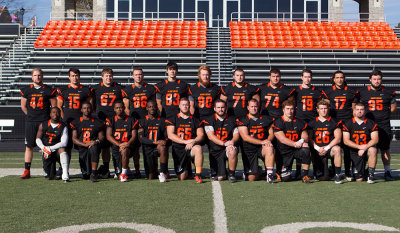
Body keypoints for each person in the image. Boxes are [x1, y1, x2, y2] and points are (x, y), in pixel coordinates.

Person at [355, 69, 396, 181]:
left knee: (385, 150)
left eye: (379, 79)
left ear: (381, 80)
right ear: (370, 80)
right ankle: (363, 170)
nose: (377, 81)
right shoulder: (362, 92)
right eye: (374, 79)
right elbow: (356, 105)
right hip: (368, 125)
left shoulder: (388, 92)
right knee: (368, 148)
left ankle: (387, 171)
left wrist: (384, 115)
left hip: (383, 125)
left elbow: (393, 107)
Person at [20, 68, 57, 179]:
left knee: (46, 146)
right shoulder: (26, 90)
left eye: (40, 75)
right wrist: (31, 115)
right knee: (29, 146)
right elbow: (23, 106)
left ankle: (47, 170)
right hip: (31, 122)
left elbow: (54, 107)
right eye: (35, 75)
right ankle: (27, 170)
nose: (38, 77)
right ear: (32, 77)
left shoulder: (48, 90)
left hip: (44, 122)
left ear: (43, 76)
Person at [321, 71, 357, 181]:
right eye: (337, 77)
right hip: (333, 122)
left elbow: (354, 109)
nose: (339, 80)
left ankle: (347, 171)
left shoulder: (351, 91)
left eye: (341, 77)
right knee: (334, 147)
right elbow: (326, 108)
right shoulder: (328, 91)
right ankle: (333, 170)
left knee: (347, 149)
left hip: (347, 122)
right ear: (334, 79)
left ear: (344, 78)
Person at [122, 67, 156, 178]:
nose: (138, 76)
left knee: (149, 146)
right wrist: (131, 120)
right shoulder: (128, 89)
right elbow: (126, 108)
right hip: (135, 121)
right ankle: (137, 170)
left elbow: (153, 106)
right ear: (133, 76)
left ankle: (152, 169)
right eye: (136, 74)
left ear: (143, 75)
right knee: (135, 147)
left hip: (147, 121)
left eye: (140, 74)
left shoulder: (150, 88)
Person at [91, 68, 124, 178]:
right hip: (102, 121)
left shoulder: (118, 88)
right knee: (104, 146)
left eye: (110, 76)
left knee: (115, 145)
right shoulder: (96, 88)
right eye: (106, 76)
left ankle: (118, 167)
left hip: (116, 121)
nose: (108, 78)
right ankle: (106, 167)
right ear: (102, 77)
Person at [57, 68, 92, 163]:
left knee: (82, 146)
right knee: (66, 146)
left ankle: (85, 168)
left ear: (79, 77)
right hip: (67, 121)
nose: (75, 78)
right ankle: (64, 167)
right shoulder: (63, 90)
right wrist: (63, 118)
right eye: (72, 76)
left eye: (76, 76)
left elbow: (90, 106)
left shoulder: (85, 90)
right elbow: (59, 106)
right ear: (69, 77)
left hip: (81, 122)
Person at [165, 97, 205, 183]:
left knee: (198, 148)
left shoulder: (195, 120)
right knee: (182, 177)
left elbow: (201, 135)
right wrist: (185, 141)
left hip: (191, 146)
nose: (185, 107)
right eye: (183, 105)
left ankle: (198, 175)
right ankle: (188, 169)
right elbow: (170, 135)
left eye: (187, 105)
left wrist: (193, 141)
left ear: (190, 106)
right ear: (179, 106)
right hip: (178, 148)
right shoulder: (173, 119)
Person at [272, 100, 312, 183]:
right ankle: (282, 170)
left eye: (292, 109)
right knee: (286, 178)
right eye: (287, 109)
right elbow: (282, 139)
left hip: (297, 149)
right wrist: (294, 144)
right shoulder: (278, 122)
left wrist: (301, 141)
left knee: (306, 147)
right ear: (283, 109)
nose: (290, 111)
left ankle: (305, 175)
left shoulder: (300, 122)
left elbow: (305, 136)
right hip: (284, 152)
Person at [237, 99, 275, 183]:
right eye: (252, 106)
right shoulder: (242, 120)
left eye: (256, 106)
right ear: (248, 107)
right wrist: (262, 142)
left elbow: (271, 133)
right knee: (252, 178)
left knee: (269, 147)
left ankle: (269, 175)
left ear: (258, 107)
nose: (254, 108)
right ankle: (258, 171)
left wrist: (267, 141)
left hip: (262, 147)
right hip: (249, 148)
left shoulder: (266, 119)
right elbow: (245, 137)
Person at [203, 99, 239, 182]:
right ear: (214, 108)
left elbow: (236, 135)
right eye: (218, 107)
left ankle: (231, 174)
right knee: (220, 178)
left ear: (226, 108)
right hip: (216, 149)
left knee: (232, 150)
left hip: (228, 147)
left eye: (222, 107)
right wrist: (224, 144)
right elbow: (211, 136)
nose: (220, 109)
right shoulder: (209, 120)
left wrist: (231, 142)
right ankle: (223, 172)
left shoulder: (232, 119)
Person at [342, 103, 379, 184]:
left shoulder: (371, 123)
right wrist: (359, 147)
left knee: (373, 150)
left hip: (366, 148)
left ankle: (370, 175)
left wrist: (364, 148)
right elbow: (346, 141)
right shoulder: (348, 123)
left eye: (361, 109)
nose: (359, 111)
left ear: (365, 111)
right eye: (357, 109)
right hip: (355, 150)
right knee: (359, 179)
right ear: (354, 111)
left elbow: (375, 139)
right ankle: (363, 172)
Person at [308, 100, 343, 184]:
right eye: (321, 108)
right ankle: (320, 171)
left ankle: (337, 175)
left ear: (328, 109)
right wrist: (318, 148)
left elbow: (338, 138)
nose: (323, 110)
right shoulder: (312, 122)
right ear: (317, 110)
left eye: (325, 108)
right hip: (317, 150)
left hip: (329, 149)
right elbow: (309, 138)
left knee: (337, 149)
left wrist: (327, 148)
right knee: (323, 177)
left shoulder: (334, 122)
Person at [70, 102, 105, 182]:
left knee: (94, 148)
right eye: (85, 108)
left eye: (88, 108)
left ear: (92, 109)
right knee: (85, 175)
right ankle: (99, 170)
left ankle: (94, 174)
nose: (87, 110)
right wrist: (85, 144)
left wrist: (95, 142)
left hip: (93, 146)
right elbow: (74, 139)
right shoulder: (76, 122)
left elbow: (101, 137)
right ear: (81, 110)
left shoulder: (97, 122)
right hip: (82, 147)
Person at [106, 101, 138, 182]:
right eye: (117, 108)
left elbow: (134, 135)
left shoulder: (131, 120)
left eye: (120, 107)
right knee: (117, 173)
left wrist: (127, 143)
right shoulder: (111, 120)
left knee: (124, 150)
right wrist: (119, 144)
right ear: (114, 109)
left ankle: (124, 174)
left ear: (124, 108)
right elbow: (108, 136)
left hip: (128, 146)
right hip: (116, 147)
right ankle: (124, 169)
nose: (119, 109)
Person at [35, 107, 69, 181]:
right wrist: (44, 148)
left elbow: (64, 143)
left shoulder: (63, 126)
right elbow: (37, 139)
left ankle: (65, 174)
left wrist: (50, 148)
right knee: (49, 177)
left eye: (57, 112)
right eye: (53, 112)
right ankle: (51, 171)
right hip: (47, 151)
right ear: (50, 114)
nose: (55, 114)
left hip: (56, 150)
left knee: (62, 150)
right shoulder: (43, 124)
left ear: (60, 114)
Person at [138, 100, 168, 181]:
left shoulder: (162, 120)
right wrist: (154, 142)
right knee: (150, 176)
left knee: (162, 147)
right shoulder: (142, 121)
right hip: (147, 147)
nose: (152, 108)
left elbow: (167, 136)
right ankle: (153, 169)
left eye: (154, 106)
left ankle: (162, 172)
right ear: (146, 108)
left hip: (158, 147)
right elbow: (141, 138)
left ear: (157, 107)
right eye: (150, 107)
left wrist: (163, 141)